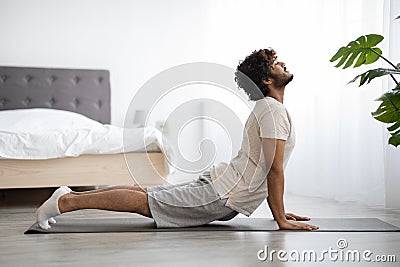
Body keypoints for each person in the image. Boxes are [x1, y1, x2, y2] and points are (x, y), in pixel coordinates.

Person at [36, 48, 319, 231]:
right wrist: (280, 218)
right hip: (223, 193)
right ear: (267, 80)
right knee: (146, 203)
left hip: (223, 184)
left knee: (148, 195)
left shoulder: (266, 108)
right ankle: (66, 203)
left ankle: (68, 196)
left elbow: (267, 166)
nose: (282, 63)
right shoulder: (272, 109)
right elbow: (274, 168)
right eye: (274, 63)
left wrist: (280, 212)